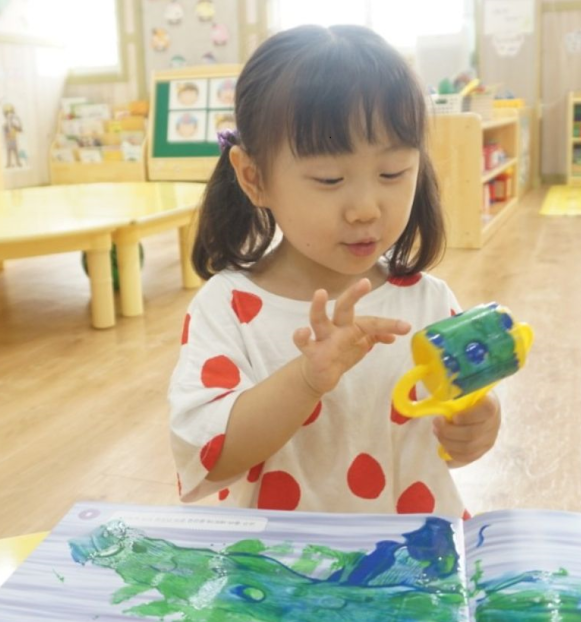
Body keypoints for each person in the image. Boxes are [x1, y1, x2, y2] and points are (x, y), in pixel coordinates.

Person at [169, 24, 501, 518]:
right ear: (254, 178)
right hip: (280, 559)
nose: (365, 208)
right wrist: (307, 380)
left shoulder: (428, 302)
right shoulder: (228, 308)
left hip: (411, 551)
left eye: (392, 173)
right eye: (329, 178)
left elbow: (450, 432)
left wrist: (477, 427)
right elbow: (207, 458)